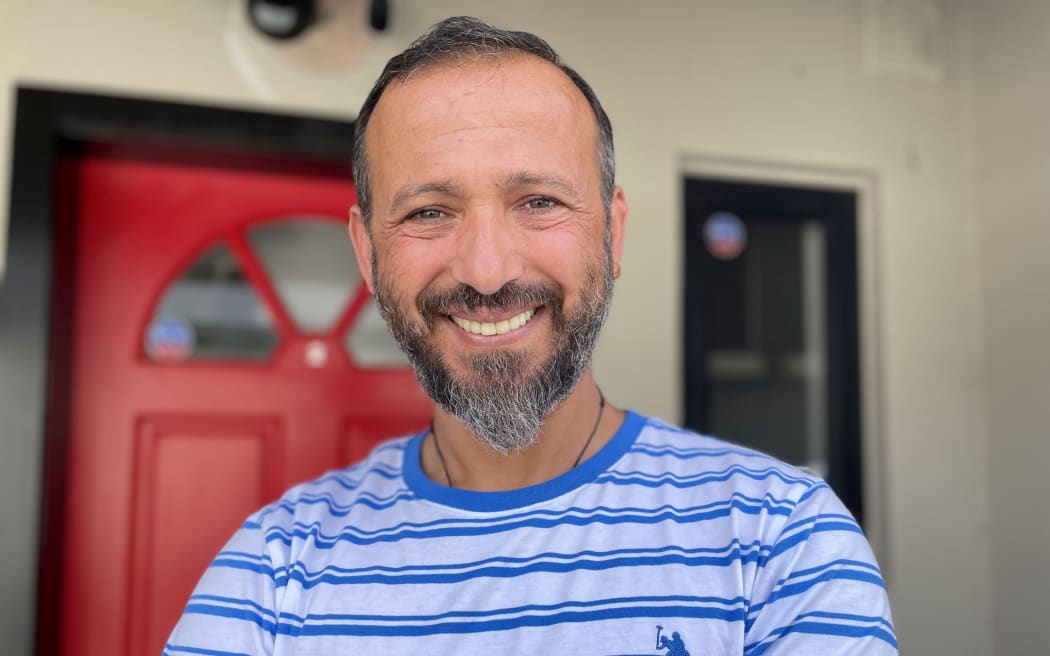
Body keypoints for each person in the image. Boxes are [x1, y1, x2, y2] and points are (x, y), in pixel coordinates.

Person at [165, 16, 896, 655]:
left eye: (539, 201)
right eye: (428, 212)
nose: (486, 271)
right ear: (367, 252)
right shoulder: (273, 569)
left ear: (611, 233)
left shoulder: (780, 542)